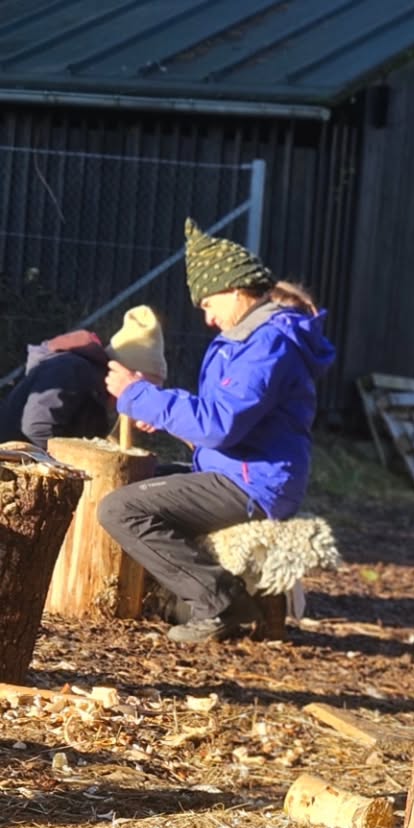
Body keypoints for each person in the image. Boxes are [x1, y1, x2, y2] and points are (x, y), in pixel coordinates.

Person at [98, 220, 334, 644]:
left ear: (234, 289)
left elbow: (219, 424)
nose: (208, 318)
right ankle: (179, 598)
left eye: (209, 304)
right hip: (240, 472)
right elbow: (223, 424)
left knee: (120, 510)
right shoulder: (253, 338)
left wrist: (137, 395)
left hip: (253, 485)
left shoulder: (267, 344)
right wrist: (167, 416)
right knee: (140, 479)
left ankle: (217, 602)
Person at [0, 306, 165, 447]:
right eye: (141, 390)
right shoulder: (70, 370)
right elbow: (36, 430)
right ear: (124, 373)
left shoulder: (98, 396)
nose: (141, 399)